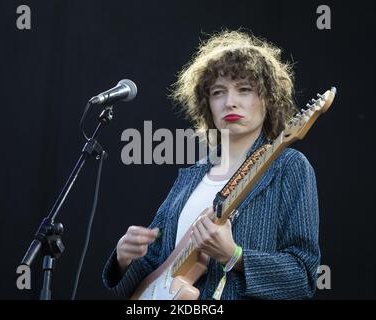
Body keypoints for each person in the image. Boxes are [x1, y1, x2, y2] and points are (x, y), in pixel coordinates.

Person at [102, 29, 320, 300]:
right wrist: (124, 259)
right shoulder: (190, 177)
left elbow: (304, 277)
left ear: (268, 100)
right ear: (208, 106)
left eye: (244, 90)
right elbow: (155, 266)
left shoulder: (289, 167)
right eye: (218, 92)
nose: (230, 102)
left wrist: (234, 256)